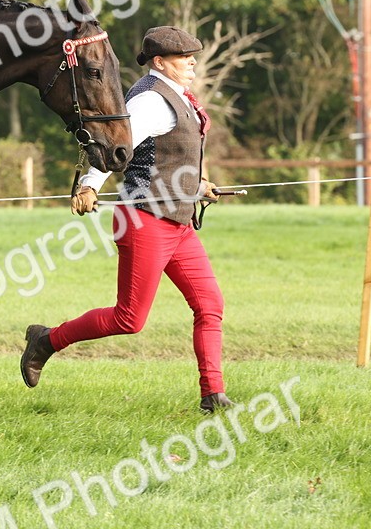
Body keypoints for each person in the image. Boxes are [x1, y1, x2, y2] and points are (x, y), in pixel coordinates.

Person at [20, 26, 235, 413]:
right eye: (184, 57)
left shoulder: (177, 95)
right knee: (129, 319)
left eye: (193, 57)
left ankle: (213, 395)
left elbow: (167, 156)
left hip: (177, 222)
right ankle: (46, 340)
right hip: (144, 221)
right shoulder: (151, 100)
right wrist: (89, 184)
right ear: (160, 62)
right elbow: (117, 146)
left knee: (209, 304)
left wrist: (197, 186)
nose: (192, 63)